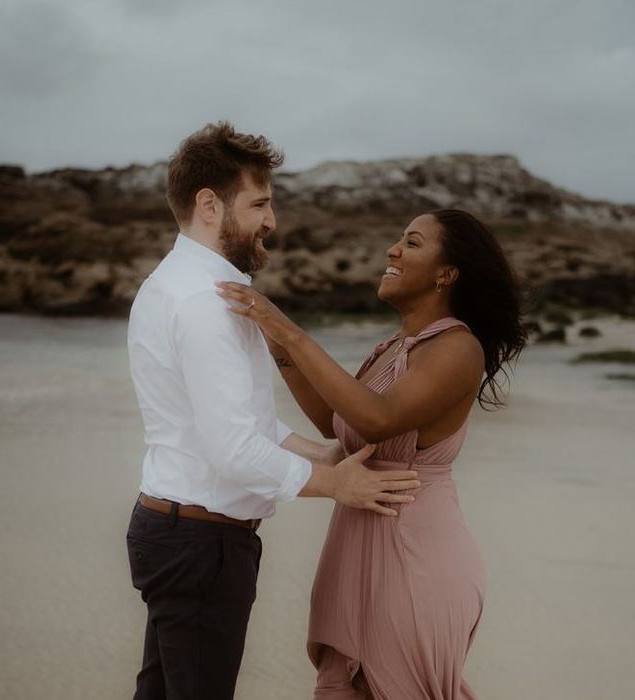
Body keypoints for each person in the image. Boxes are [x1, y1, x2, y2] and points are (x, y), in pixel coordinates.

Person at [125, 121, 420, 700]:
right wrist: (337, 485)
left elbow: (239, 426)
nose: (271, 221)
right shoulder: (208, 303)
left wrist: (325, 452)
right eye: (259, 203)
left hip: (177, 530)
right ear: (209, 205)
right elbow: (234, 450)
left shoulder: (175, 284)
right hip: (200, 545)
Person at [216, 208, 527, 699]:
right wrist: (278, 345)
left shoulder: (458, 349)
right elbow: (339, 423)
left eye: (412, 242)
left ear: (447, 273)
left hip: (413, 557)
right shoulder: (394, 348)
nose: (393, 250)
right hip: (359, 543)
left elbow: (377, 418)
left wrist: (291, 329)